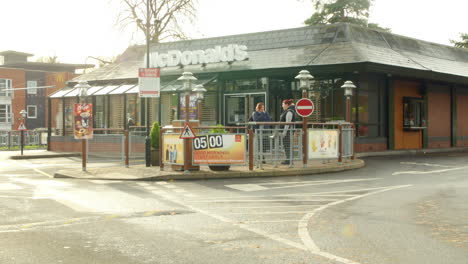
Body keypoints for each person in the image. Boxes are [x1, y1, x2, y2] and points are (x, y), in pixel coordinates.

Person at [279, 99, 296, 165]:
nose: (282, 106)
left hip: (288, 132)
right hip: (288, 132)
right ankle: (289, 159)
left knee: (287, 146)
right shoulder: (288, 111)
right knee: (287, 146)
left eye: (283, 104)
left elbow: (287, 123)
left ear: (286, 105)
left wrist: (284, 133)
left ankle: (289, 160)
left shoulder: (289, 112)